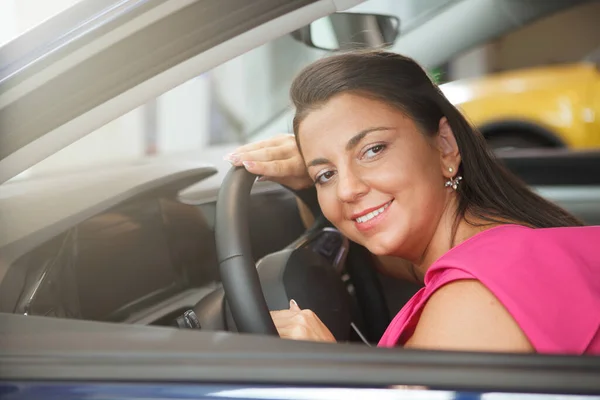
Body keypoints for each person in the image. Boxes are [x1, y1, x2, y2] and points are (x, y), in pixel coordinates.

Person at [224, 50, 600, 354]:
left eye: (372, 150)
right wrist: (310, 184)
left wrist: (329, 371)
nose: (346, 191)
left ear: (445, 146)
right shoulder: (497, 247)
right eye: (327, 175)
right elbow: (378, 262)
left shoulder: (472, 301)